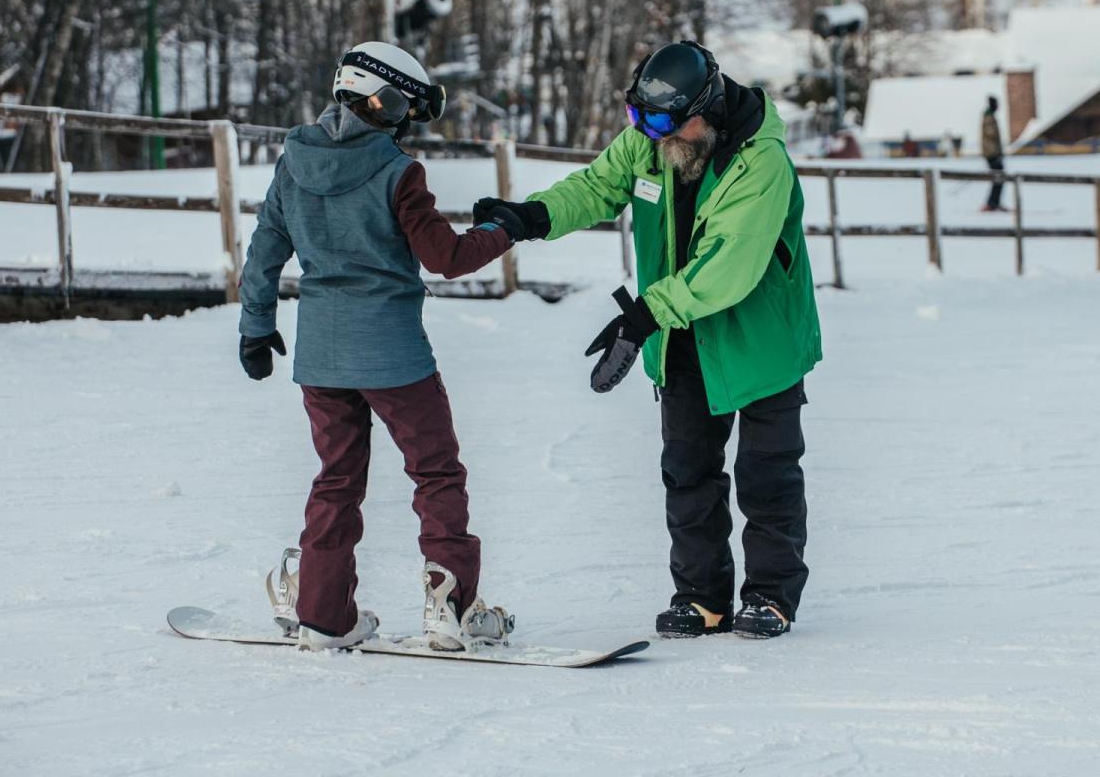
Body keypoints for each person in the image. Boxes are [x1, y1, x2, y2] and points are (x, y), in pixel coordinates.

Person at [475, 41, 822, 640]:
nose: (649, 132)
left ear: (707, 107)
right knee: (687, 471)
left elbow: (728, 266)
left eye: (662, 120)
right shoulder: (656, 138)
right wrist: (529, 217)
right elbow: (597, 186)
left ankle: (770, 596)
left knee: (767, 475)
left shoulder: (761, 162)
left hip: (760, 338)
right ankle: (701, 598)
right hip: (679, 334)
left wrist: (642, 317)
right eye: (639, 117)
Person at [238, 41, 525, 652]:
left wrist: (256, 327)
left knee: (336, 479)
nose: (405, 127)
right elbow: (445, 258)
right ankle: (450, 608)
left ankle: (323, 615)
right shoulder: (398, 172)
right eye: (404, 112)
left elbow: (265, 251)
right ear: (383, 100)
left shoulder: (293, 163)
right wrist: (506, 228)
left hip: (320, 353)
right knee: (436, 473)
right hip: (393, 353)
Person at [981, 95, 1008, 213]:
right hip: (992, 153)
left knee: (999, 177)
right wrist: (996, 153)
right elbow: (991, 134)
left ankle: (994, 203)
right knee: (998, 177)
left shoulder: (990, 116)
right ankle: (991, 204)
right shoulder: (988, 117)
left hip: (994, 153)